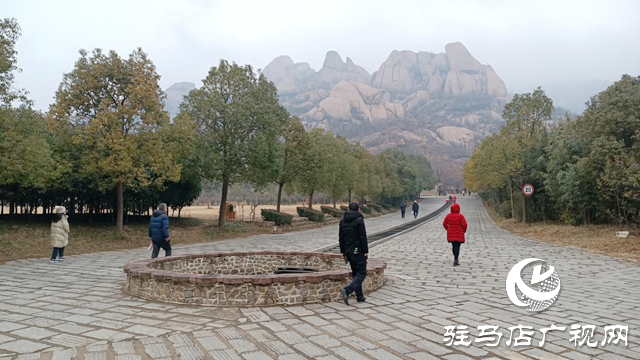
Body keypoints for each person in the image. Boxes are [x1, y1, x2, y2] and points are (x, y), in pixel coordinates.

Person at [339, 202, 368, 305]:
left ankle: (359, 296)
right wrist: (365, 251)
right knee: (362, 273)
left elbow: (341, 238)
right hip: (357, 250)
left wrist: (342, 251)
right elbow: (362, 237)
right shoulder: (359, 220)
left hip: (348, 251)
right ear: (358, 209)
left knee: (356, 273)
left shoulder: (342, 221)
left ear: (348, 209)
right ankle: (347, 290)